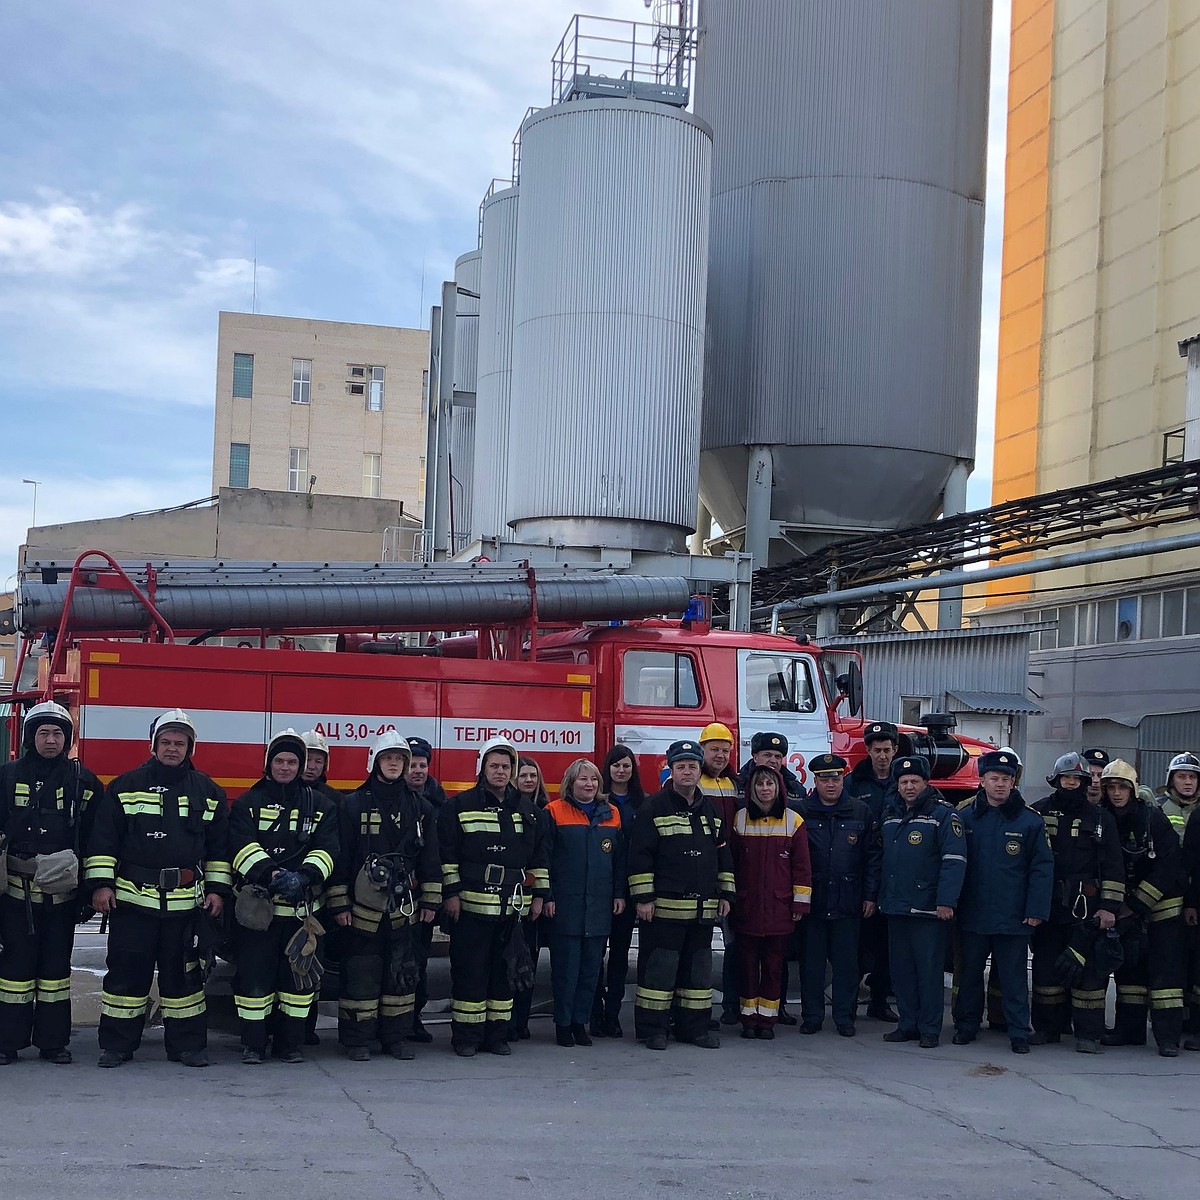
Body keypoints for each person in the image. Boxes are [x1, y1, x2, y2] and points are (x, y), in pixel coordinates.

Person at [84, 709, 232, 1068]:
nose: (172, 748)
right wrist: (102, 886)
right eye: (165, 742)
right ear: (153, 745)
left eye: (180, 743)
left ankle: (187, 1047)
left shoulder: (208, 791)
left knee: (184, 979)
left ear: (190, 748)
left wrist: (217, 890)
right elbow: (103, 842)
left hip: (185, 906)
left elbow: (219, 848)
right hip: (133, 901)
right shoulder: (124, 785)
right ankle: (117, 1045)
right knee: (126, 975)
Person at [0, 702, 102, 1066]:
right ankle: (6, 1041)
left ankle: (53, 1042)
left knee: (56, 972)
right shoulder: (7, 776)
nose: (50, 739)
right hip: (15, 893)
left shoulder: (83, 781)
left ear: (68, 739)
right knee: (13, 971)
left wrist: (89, 893)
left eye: (58, 733)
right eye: (43, 732)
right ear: (30, 737)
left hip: (62, 896)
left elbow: (95, 840)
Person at [326, 732, 439, 1061]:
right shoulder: (353, 804)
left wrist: (431, 901)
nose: (394, 763)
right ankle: (357, 1040)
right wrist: (339, 903)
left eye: (399, 759)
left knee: (401, 973)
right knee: (361, 973)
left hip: (404, 909)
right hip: (362, 910)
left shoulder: (421, 808)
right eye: (388, 758)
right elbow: (341, 857)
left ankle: (395, 1038)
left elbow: (430, 859)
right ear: (375, 762)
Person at [230, 730, 339, 1065]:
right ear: (268, 763)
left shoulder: (320, 805)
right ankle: (253, 1045)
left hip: (301, 913)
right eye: (279, 760)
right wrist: (273, 875)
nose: (286, 767)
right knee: (254, 980)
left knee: (297, 983)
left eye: (293, 761)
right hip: (259, 914)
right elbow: (239, 845)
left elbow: (329, 848)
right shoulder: (249, 802)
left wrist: (306, 876)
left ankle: (290, 1045)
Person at [439, 737, 548, 1057]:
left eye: (506, 766)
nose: (500, 771)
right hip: (470, 908)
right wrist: (452, 894)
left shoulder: (528, 812)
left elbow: (540, 858)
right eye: (494, 766)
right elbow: (447, 856)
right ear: (481, 769)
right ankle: (466, 1038)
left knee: (505, 974)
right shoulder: (458, 807)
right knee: (470, 972)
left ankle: (496, 1036)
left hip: (512, 908)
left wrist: (539, 895)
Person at [628, 739, 736, 1051]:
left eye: (692, 766)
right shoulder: (653, 807)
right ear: (671, 770)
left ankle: (694, 1029)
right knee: (658, 973)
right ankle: (653, 1030)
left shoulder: (710, 810)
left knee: (698, 975)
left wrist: (726, 894)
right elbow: (640, 856)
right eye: (681, 766)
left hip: (702, 912)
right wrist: (644, 898)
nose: (687, 772)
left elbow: (722, 855)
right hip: (664, 911)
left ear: (700, 770)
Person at [952, 749, 1054, 1054]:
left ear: (1014, 783)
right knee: (969, 975)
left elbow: (1042, 868)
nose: (1000, 784)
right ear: (982, 780)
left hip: (1014, 916)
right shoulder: (964, 816)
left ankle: (1018, 1031)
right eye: (994, 778)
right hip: (973, 914)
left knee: (1014, 979)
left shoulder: (1030, 822)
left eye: (1006, 779)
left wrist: (1035, 910)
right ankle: (966, 1025)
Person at [1029, 752, 1125, 1053]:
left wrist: (1109, 908)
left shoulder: (1101, 818)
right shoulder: (1037, 813)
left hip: (1087, 908)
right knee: (1046, 972)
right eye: (1066, 778)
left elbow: (1113, 866)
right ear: (1056, 780)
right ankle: (1047, 1029)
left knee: (1090, 977)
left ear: (1085, 782)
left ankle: (1088, 1035)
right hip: (1048, 908)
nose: (1071, 783)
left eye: (1077, 778)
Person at [1098, 759, 1185, 1056]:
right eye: (1110, 787)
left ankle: (1168, 1038)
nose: (1117, 793)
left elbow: (1170, 864)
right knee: (1129, 972)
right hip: (1127, 907)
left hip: (1162, 906)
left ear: (1133, 789)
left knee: (1165, 977)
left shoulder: (1152, 819)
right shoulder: (1104, 818)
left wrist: (1137, 903)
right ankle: (1129, 1031)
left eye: (1122, 787)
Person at [879, 756, 966, 1048]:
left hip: (928, 908)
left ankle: (929, 1028)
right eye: (903, 781)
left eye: (914, 781)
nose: (908, 786)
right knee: (901, 970)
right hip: (895, 905)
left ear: (926, 783)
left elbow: (954, 861)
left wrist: (946, 901)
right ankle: (908, 1024)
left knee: (928, 972)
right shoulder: (890, 812)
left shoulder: (944, 815)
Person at [543, 759, 626, 1046]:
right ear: (570, 783)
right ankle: (563, 1024)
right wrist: (548, 896)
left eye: (593, 780)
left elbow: (619, 861)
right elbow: (545, 860)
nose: (588, 784)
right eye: (582, 780)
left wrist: (618, 893)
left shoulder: (612, 814)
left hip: (600, 906)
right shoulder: (554, 812)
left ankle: (581, 1022)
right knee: (566, 970)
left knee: (591, 970)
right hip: (566, 905)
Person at [798, 753, 879, 1038]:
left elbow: (872, 858)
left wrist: (870, 896)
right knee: (812, 966)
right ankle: (812, 1017)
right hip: (814, 902)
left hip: (849, 900)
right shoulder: (801, 811)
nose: (830, 784)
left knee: (847, 967)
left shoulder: (860, 811)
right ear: (815, 781)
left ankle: (845, 1018)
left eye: (835, 778)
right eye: (824, 779)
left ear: (843, 779)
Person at [729, 764, 811, 1039]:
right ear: (751, 789)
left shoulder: (793, 821)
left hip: (779, 908)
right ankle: (748, 1019)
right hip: (747, 907)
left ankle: (768, 1021)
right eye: (760, 784)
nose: (765, 789)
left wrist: (800, 904)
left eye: (770, 784)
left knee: (774, 968)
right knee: (747, 967)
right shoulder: (739, 819)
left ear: (779, 789)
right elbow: (731, 863)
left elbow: (802, 867)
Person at [591, 744, 646, 1037]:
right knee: (595, 955)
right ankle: (594, 1013)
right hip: (600, 888)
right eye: (616, 765)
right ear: (607, 769)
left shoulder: (642, 803)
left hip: (628, 888)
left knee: (620, 956)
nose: (621, 770)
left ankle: (612, 1014)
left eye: (626, 765)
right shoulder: (598, 802)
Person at [846, 721, 900, 1022]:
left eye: (887, 750)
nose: (882, 756)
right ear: (867, 750)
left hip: (892, 873)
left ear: (895, 751)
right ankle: (848, 1000)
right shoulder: (854, 783)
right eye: (877, 750)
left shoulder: (904, 780)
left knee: (886, 946)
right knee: (856, 945)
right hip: (862, 871)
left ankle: (879, 1000)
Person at [697, 722, 742, 1028]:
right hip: (699, 876)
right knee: (697, 948)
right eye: (714, 749)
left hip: (728, 874)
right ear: (702, 750)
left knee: (732, 946)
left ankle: (730, 1007)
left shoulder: (733, 784)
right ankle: (694, 1012)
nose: (720, 756)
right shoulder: (690, 780)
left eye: (725, 750)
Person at [405, 735, 447, 1043]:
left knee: (419, 960)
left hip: (423, 897)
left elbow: (439, 852)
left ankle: (415, 1019)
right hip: (392, 895)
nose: (418, 770)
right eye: (412, 765)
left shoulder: (438, 801)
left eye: (423, 765)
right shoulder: (393, 798)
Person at [1159, 751, 1200, 1045]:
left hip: (1194, 894)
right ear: (1171, 780)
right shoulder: (1158, 810)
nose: (1187, 782)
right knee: (1172, 963)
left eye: (1192, 777)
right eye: (1182, 776)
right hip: (1167, 898)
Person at [509, 756, 550, 1040]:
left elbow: (543, 859)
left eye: (533, 775)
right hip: (504, 900)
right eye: (522, 775)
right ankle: (506, 1020)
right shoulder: (505, 810)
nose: (528, 780)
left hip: (530, 903)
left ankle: (520, 1022)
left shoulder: (543, 813)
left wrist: (539, 896)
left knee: (528, 962)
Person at [736, 732, 805, 801]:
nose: (773, 761)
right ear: (755, 758)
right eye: (767, 755)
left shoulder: (795, 789)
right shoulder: (737, 784)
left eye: (777, 757)